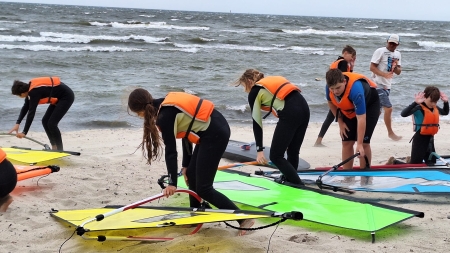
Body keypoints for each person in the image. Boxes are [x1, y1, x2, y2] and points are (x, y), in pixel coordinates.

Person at [127, 88, 254, 235]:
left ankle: (243, 219)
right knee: (192, 175)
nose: (139, 117)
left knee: (204, 188)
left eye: (138, 114)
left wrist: (172, 183)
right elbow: (186, 134)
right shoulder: (163, 106)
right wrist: (186, 165)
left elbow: (171, 151)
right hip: (210, 132)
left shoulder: (164, 116)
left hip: (215, 134)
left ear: (140, 111)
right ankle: (196, 216)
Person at [235, 69, 310, 185]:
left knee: (275, 156)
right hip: (305, 109)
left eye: (245, 86)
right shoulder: (269, 84)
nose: (246, 90)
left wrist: (259, 150)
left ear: (250, 81)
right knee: (293, 151)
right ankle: (290, 180)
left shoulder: (255, 91)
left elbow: (257, 122)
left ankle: (297, 184)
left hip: (291, 113)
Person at [325, 69, 380, 183]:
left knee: (364, 144)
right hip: (348, 109)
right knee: (346, 141)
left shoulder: (356, 90)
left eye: (338, 88)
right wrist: (340, 122)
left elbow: (361, 118)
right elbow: (331, 102)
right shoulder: (329, 88)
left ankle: (365, 177)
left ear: (344, 82)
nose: (335, 91)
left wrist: (359, 144)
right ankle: (348, 177)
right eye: (332, 88)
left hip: (370, 106)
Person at [9, 77, 74, 151]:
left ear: (22, 93)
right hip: (59, 98)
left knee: (52, 124)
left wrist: (24, 132)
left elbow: (31, 112)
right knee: (45, 121)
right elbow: (25, 108)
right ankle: (54, 147)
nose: (19, 97)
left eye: (18, 95)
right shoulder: (30, 90)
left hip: (66, 97)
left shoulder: (34, 92)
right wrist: (18, 123)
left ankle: (60, 150)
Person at [315, 45, 356, 147]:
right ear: (345, 53)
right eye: (352, 57)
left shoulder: (337, 61)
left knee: (331, 115)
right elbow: (343, 79)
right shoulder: (343, 62)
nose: (352, 59)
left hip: (331, 90)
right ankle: (319, 141)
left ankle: (319, 140)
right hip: (336, 92)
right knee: (333, 115)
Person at [400, 86, 448, 164]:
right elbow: (403, 114)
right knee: (415, 165)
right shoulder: (418, 107)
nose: (433, 104)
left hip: (430, 140)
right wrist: (415, 103)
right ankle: (394, 161)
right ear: (425, 97)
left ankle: (410, 159)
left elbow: (445, 112)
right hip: (419, 139)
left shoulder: (435, 108)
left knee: (432, 163)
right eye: (431, 101)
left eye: (435, 102)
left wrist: (446, 102)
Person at [370, 34, 402, 141]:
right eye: (390, 43)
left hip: (387, 85)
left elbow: (398, 72)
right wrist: (383, 75)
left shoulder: (398, 54)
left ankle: (364, 130)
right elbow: (372, 67)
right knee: (389, 108)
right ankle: (391, 133)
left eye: (394, 44)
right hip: (376, 84)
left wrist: (396, 66)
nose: (392, 45)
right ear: (387, 41)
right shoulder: (380, 51)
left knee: (377, 112)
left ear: (398, 44)